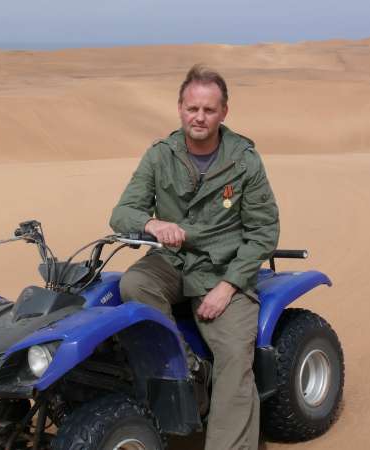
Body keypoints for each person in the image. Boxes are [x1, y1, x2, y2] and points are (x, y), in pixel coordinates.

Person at [109, 64, 280, 450]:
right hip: (172, 261)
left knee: (234, 356)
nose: (199, 117)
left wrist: (228, 286)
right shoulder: (160, 155)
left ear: (223, 112)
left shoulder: (244, 161)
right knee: (133, 283)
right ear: (180, 109)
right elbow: (122, 212)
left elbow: (263, 232)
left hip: (224, 267)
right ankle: (190, 370)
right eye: (192, 109)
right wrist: (152, 224)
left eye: (208, 110)